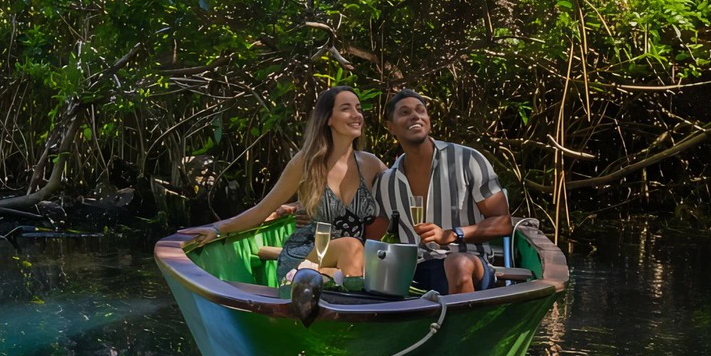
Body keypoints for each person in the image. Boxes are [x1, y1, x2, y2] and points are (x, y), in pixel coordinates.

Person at [178, 87, 388, 284]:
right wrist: (218, 229)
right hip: (306, 254)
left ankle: (337, 288)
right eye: (346, 109)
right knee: (351, 246)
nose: (356, 115)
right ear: (328, 119)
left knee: (354, 253)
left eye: (358, 109)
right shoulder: (306, 163)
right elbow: (262, 210)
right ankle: (338, 291)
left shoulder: (371, 164)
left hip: (351, 261)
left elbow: (401, 191)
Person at [373, 89, 513, 294]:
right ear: (390, 127)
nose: (415, 116)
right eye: (405, 112)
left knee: (457, 264)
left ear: (428, 120)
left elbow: (503, 223)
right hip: (413, 272)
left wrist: (453, 234)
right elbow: (377, 241)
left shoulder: (467, 160)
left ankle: (463, 316)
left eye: (420, 110)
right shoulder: (385, 182)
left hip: (468, 263)